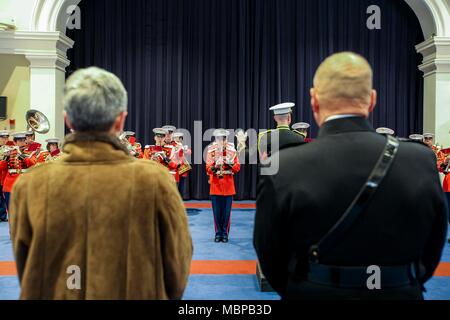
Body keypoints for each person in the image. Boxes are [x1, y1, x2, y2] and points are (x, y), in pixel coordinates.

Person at [254, 52, 448, 300]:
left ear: (314, 101)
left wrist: (303, 287)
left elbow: (268, 252)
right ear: (372, 100)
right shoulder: (420, 161)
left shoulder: (285, 165)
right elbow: (433, 246)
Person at [10, 67, 192, 300]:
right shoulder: (156, 180)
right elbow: (176, 270)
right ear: (120, 120)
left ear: (67, 120)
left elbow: (27, 267)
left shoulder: (29, 184)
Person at [206, 129, 240, 243]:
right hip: (216, 185)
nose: (221, 141)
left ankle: (225, 233)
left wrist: (229, 163)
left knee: (226, 213)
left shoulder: (232, 151)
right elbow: (208, 168)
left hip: (228, 185)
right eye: (219, 139)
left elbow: (237, 167)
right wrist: (215, 166)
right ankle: (218, 233)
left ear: (226, 139)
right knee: (217, 212)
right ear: (216, 139)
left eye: (223, 138)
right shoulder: (211, 151)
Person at [0, 132, 37, 214]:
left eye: (24, 140)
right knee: (11, 211)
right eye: (20, 141)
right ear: (15, 142)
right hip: (10, 184)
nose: (23, 142)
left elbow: (33, 163)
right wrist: (6, 157)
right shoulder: (10, 151)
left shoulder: (30, 151)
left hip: (24, 183)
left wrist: (21, 155)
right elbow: (2, 167)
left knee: (24, 210)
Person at [173, 132, 192, 197]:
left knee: (181, 186)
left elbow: (189, 152)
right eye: (175, 138)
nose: (177, 140)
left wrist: (184, 150)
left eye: (178, 138)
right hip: (174, 168)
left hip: (182, 168)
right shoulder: (172, 146)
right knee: (175, 185)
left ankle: (180, 199)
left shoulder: (183, 147)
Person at [0, 131, 10, 222]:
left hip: (3, 176)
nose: (5, 140)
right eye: (3, 138)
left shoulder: (9, 149)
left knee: (3, 198)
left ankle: (3, 216)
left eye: (6, 138)